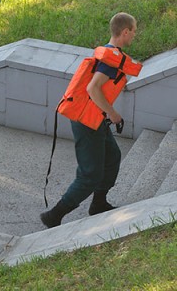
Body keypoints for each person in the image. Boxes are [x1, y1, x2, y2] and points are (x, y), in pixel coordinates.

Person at [40, 12, 139, 228]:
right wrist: (113, 113)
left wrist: (107, 115)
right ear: (125, 32)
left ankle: (98, 203)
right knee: (90, 174)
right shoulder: (111, 61)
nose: (134, 35)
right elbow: (92, 88)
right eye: (133, 31)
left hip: (96, 119)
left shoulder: (110, 53)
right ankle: (54, 215)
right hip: (87, 122)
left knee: (112, 156)